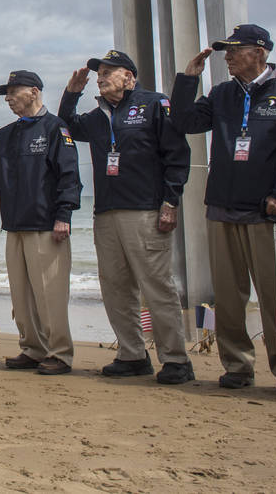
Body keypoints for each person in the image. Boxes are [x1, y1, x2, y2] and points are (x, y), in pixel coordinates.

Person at [169, 24, 276, 396]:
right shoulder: (222, 94)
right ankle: (237, 366)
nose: (228, 56)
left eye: (237, 49)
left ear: (262, 52)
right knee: (228, 297)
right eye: (226, 50)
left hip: (268, 212)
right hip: (222, 208)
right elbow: (184, 122)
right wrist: (188, 81)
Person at [58, 50, 194, 384]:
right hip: (106, 212)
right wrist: (71, 94)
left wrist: (170, 202)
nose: (101, 77)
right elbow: (67, 127)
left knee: (157, 286)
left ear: (129, 77)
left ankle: (176, 359)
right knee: (116, 288)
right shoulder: (97, 115)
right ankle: (132, 355)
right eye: (99, 73)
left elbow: (177, 155)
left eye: (108, 72)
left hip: (146, 211)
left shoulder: (154, 104)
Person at [0, 71, 82, 375]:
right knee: (21, 295)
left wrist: (64, 215)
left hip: (46, 225)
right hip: (15, 225)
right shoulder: (7, 133)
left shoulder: (56, 127)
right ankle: (32, 349)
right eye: (6, 93)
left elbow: (69, 174)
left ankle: (59, 353)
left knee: (49, 294)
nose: (8, 98)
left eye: (13, 92)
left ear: (33, 92)